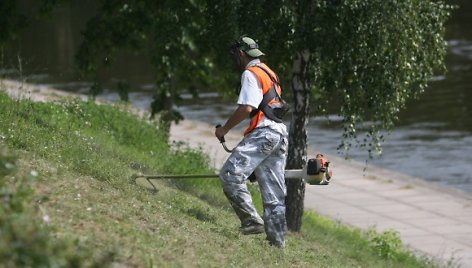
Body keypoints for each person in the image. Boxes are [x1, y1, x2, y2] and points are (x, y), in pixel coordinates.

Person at [214, 36, 288, 248]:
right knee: (274, 195)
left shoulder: (250, 73)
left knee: (230, 174)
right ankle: (277, 245)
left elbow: (247, 107)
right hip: (279, 134)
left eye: (234, 56)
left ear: (241, 54)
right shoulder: (268, 72)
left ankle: (251, 220)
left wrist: (224, 129)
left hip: (264, 133)